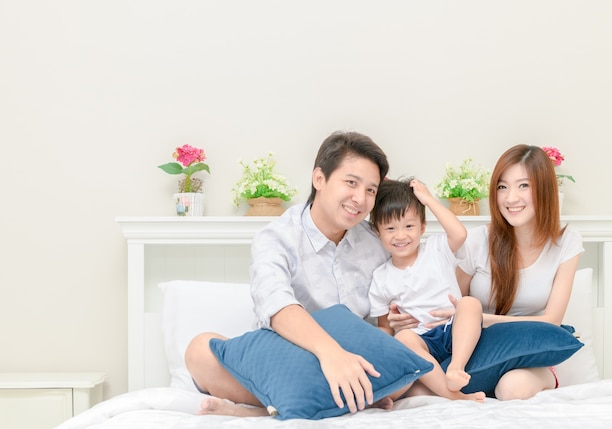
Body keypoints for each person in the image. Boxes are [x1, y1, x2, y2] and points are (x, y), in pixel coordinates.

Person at [184, 130, 391, 417]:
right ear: (319, 178)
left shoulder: (377, 243)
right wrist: (331, 353)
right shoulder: (277, 237)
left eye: (371, 190)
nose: (360, 198)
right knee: (200, 352)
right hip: (289, 359)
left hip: (354, 360)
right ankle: (340, 399)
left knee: (406, 355)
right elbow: (276, 304)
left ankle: (264, 411)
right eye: (351, 183)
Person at [388, 144, 584, 400]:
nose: (511, 198)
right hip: (475, 348)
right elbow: (452, 303)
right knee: (417, 384)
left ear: (545, 189)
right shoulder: (478, 241)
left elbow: (552, 321)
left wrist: (481, 318)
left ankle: (542, 379)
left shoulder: (566, 242)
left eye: (523, 186)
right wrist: (410, 315)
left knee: (513, 388)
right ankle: (459, 391)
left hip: (527, 349)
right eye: (502, 187)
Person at [368, 178, 485, 402]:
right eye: (390, 228)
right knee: (403, 337)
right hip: (422, 342)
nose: (400, 236)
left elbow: (459, 234)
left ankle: (455, 369)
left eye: (409, 226)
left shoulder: (436, 248)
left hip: (454, 330)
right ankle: (455, 396)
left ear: (422, 227)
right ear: (378, 232)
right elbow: (385, 327)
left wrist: (428, 199)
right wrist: (384, 344)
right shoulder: (381, 277)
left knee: (470, 303)